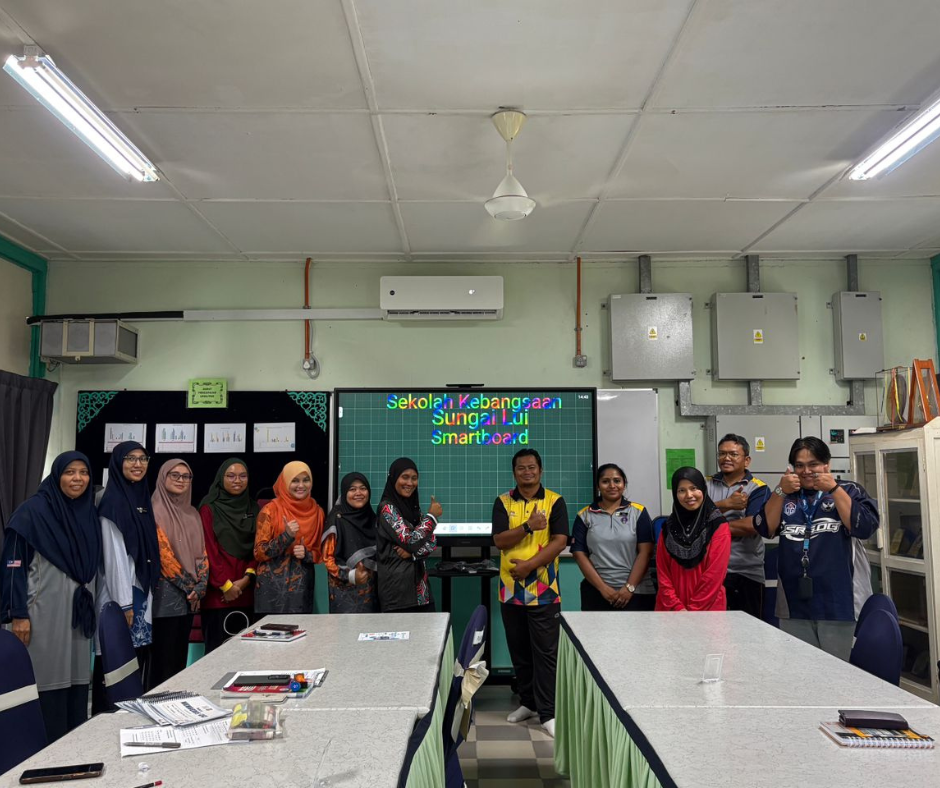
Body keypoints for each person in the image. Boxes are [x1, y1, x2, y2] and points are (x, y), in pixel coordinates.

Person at [0, 451, 101, 742]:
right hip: (41, 615)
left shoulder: (87, 515)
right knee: (44, 682)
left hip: (76, 616)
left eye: (84, 472)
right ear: (57, 476)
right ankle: (38, 751)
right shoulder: (31, 513)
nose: (78, 479)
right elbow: (13, 566)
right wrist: (17, 614)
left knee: (76, 684)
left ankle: (72, 748)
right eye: (70, 472)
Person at [755, 436, 879, 660]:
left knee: (839, 672)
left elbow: (864, 527)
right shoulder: (786, 496)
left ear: (826, 465)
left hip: (839, 604)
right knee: (801, 671)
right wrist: (780, 491)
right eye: (799, 465)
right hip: (793, 604)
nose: (806, 471)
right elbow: (766, 528)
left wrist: (834, 489)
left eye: (813, 464)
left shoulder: (849, 490)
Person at [492, 448, 569, 738]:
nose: (527, 472)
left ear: (540, 470)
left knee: (546, 654)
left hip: (545, 591)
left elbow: (560, 541)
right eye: (521, 468)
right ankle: (528, 703)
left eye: (532, 467)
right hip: (510, 590)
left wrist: (529, 566)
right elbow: (500, 541)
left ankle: (548, 713)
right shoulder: (503, 502)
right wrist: (528, 526)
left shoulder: (554, 501)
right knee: (520, 651)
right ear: (514, 472)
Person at [94, 441, 160, 707]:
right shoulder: (113, 502)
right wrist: (124, 603)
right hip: (121, 596)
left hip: (139, 593)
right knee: (115, 662)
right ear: (118, 462)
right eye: (130, 458)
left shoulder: (140, 498)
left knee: (134, 663)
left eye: (142, 459)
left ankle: (131, 714)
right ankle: (106, 717)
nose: (137, 464)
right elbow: (114, 558)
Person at [149, 460, 207, 688]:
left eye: (186, 476)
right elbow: (163, 555)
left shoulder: (192, 513)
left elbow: (202, 553)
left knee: (179, 657)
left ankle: (175, 703)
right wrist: (191, 587)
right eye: (175, 475)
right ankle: (157, 704)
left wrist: (201, 585)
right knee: (163, 658)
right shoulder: (153, 511)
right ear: (163, 477)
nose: (181, 480)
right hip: (165, 595)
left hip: (189, 598)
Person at [571, 463, 655, 611]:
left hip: (637, 592)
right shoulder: (584, 515)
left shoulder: (639, 512)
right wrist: (603, 588)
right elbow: (579, 554)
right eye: (605, 481)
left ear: (624, 484)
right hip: (597, 593)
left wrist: (629, 588)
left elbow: (646, 552)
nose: (612, 486)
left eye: (617, 481)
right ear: (598, 486)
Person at [706, 434, 771, 618]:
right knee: (711, 630)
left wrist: (707, 526)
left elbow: (751, 525)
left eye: (733, 454)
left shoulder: (758, 488)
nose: (726, 458)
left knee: (749, 632)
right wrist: (726, 504)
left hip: (746, 572)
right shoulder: (704, 484)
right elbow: (689, 517)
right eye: (722, 453)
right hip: (709, 572)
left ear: (746, 460)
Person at [199, 458, 260, 652]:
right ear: (221, 478)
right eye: (231, 476)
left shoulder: (254, 508)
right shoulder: (209, 508)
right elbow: (208, 551)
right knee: (217, 656)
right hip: (218, 597)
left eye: (243, 476)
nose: (237, 481)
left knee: (247, 657)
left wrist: (246, 580)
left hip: (246, 594)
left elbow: (258, 548)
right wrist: (226, 586)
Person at [656, 467, 731, 612]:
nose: (689, 495)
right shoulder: (668, 527)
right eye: (681, 490)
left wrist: (692, 612)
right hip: (670, 609)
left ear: (703, 489)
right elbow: (662, 573)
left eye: (694, 488)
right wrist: (677, 608)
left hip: (707, 610)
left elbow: (714, 575)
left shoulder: (718, 526)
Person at [253, 461, 324, 615]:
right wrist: (286, 536)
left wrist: (306, 554)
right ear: (285, 482)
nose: (301, 485)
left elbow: (321, 554)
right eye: (295, 480)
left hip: (302, 594)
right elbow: (259, 553)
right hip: (271, 594)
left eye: (306, 480)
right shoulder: (270, 510)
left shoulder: (318, 513)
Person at [375, 458, 441, 613]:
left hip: (422, 595)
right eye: (404, 477)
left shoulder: (414, 509)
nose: (410, 483)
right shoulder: (387, 509)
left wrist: (412, 554)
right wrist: (431, 517)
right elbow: (411, 541)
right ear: (393, 478)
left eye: (414, 478)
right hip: (397, 597)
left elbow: (432, 541)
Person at [322, 472, 378, 613]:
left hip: (371, 594)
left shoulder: (372, 518)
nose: (358, 493)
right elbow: (328, 559)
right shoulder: (336, 519)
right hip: (344, 596)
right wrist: (351, 575)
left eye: (363, 488)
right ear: (344, 492)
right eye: (352, 489)